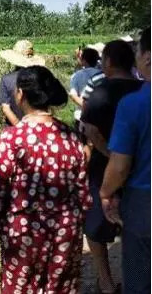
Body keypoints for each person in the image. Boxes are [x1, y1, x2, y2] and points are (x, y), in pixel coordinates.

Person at [0, 66, 91, 293]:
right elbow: (82, 194)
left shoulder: (10, 139)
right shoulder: (70, 136)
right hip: (65, 234)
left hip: (23, 235)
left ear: (20, 94)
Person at [81, 40, 143, 294]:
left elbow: (90, 131)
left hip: (104, 171)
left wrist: (110, 154)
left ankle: (105, 281)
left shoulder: (97, 93)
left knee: (95, 227)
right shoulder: (144, 90)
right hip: (141, 169)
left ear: (107, 62)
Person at [100, 27, 151, 294]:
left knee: (140, 276)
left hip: (144, 201)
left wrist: (106, 192)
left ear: (147, 58)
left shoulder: (134, 105)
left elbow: (120, 165)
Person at [0, 40, 45, 126]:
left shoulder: (6, 79)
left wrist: (19, 127)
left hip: (13, 129)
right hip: (36, 127)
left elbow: (5, 109)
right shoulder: (39, 78)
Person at [68, 47, 101, 122]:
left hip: (81, 115)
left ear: (83, 60)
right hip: (100, 116)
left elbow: (73, 96)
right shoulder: (102, 74)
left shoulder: (76, 76)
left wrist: (86, 107)